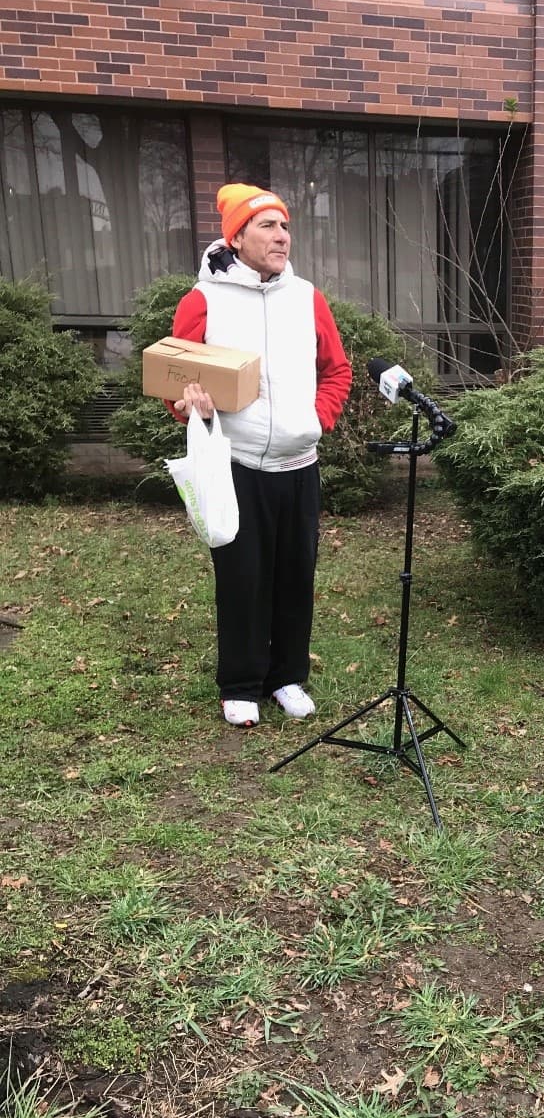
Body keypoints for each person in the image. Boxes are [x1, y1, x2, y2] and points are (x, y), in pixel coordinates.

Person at [168, 183, 353, 727]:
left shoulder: (307, 298)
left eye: (285, 226)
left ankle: (286, 676)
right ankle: (241, 683)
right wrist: (189, 406)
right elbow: (175, 380)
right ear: (237, 237)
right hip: (238, 465)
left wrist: (316, 420)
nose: (282, 237)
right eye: (267, 226)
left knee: (295, 577)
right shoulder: (203, 300)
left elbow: (336, 370)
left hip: (300, 466)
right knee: (242, 578)